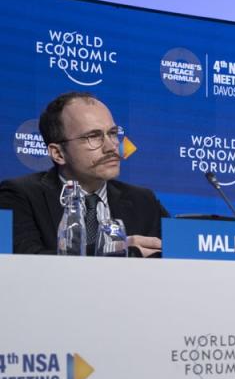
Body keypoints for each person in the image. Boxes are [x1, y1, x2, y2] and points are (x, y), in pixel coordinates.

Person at [0, 92, 167, 256]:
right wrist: (115, 250)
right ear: (58, 153)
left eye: (113, 133)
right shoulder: (19, 196)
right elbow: (26, 260)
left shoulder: (144, 202)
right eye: (93, 136)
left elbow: (184, 248)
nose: (112, 147)